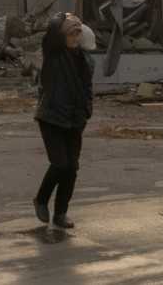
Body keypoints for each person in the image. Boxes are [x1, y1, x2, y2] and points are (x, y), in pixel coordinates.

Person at [32, 12, 93, 229]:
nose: (75, 37)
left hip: (74, 119)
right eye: (71, 33)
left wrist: (87, 110)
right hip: (51, 117)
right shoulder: (54, 54)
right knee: (60, 164)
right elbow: (50, 35)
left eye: (78, 33)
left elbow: (87, 89)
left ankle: (61, 213)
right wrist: (63, 18)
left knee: (72, 168)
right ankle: (41, 199)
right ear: (61, 35)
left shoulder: (85, 59)